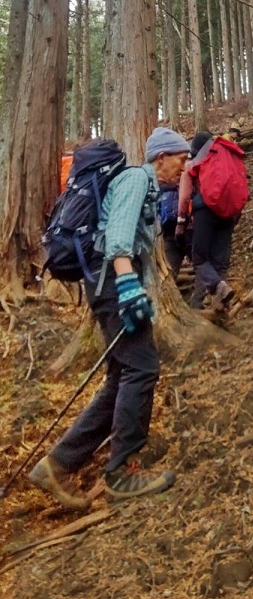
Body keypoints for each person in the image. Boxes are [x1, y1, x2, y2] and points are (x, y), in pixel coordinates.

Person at [28, 127, 190, 508]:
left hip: (108, 286)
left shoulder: (145, 187)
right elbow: (118, 238)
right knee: (143, 368)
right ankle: (122, 474)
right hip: (113, 286)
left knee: (122, 376)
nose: (185, 167)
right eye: (181, 159)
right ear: (161, 157)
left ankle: (57, 464)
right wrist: (129, 287)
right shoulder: (136, 179)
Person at [176, 131, 236, 311]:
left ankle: (201, 303)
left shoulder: (192, 164)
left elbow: (184, 197)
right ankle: (221, 308)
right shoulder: (226, 160)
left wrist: (181, 223)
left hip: (204, 212)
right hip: (228, 212)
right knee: (220, 263)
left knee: (200, 259)